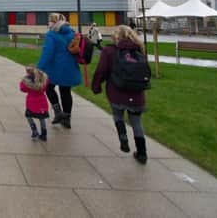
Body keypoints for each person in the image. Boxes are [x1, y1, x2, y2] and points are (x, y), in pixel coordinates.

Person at [91, 25, 149, 164]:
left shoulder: (110, 50)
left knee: (118, 115)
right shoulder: (139, 49)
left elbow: (101, 70)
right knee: (136, 122)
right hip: (136, 92)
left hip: (116, 90)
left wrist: (96, 86)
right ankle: (142, 153)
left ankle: (123, 138)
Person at [37, 13, 82, 129]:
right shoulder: (71, 33)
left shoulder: (51, 35)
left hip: (55, 68)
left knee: (48, 87)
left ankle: (58, 112)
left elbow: (47, 53)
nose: (48, 23)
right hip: (69, 67)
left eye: (49, 21)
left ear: (53, 22)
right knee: (66, 91)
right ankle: (67, 118)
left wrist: (39, 68)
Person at [20, 66, 49, 141]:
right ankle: (44, 134)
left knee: (29, 116)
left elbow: (22, 89)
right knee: (42, 118)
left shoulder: (27, 83)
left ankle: (34, 131)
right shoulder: (43, 81)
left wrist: (24, 80)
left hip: (31, 104)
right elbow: (46, 83)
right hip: (42, 103)